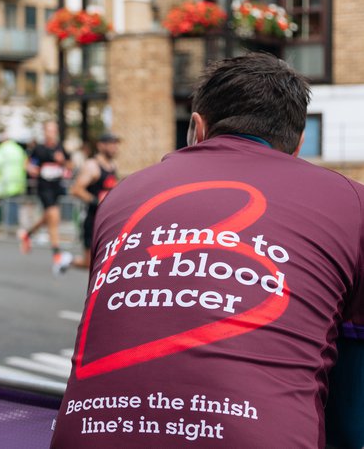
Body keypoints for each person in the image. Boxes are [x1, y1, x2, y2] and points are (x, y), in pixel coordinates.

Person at [51, 53, 364, 448]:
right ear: (298, 145)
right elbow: (354, 394)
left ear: (197, 128)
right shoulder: (351, 202)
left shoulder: (123, 194)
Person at [18, 121, 72, 274]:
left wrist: (63, 161)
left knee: (49, 217)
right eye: (49, 130)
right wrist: (31, 169)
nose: (52, 133)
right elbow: (27, 163)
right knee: (54, 216)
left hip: (57, 186)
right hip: (44, 187)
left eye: (54, 130)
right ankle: (57, 254)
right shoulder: (39, 148)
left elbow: (70, 165)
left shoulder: (60, 148)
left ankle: (27, 234)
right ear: (44, 132)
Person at [63, 133, 120, 271]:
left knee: (107, 260)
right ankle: (68, 260)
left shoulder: (112, 165)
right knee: (89, 264)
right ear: (101, 146)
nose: (115, 148)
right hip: (92, 219)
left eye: (116, 144)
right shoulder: (92, 166)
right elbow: (76, 189)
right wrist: (96, 201)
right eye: (111, 144)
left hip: (108, 219)